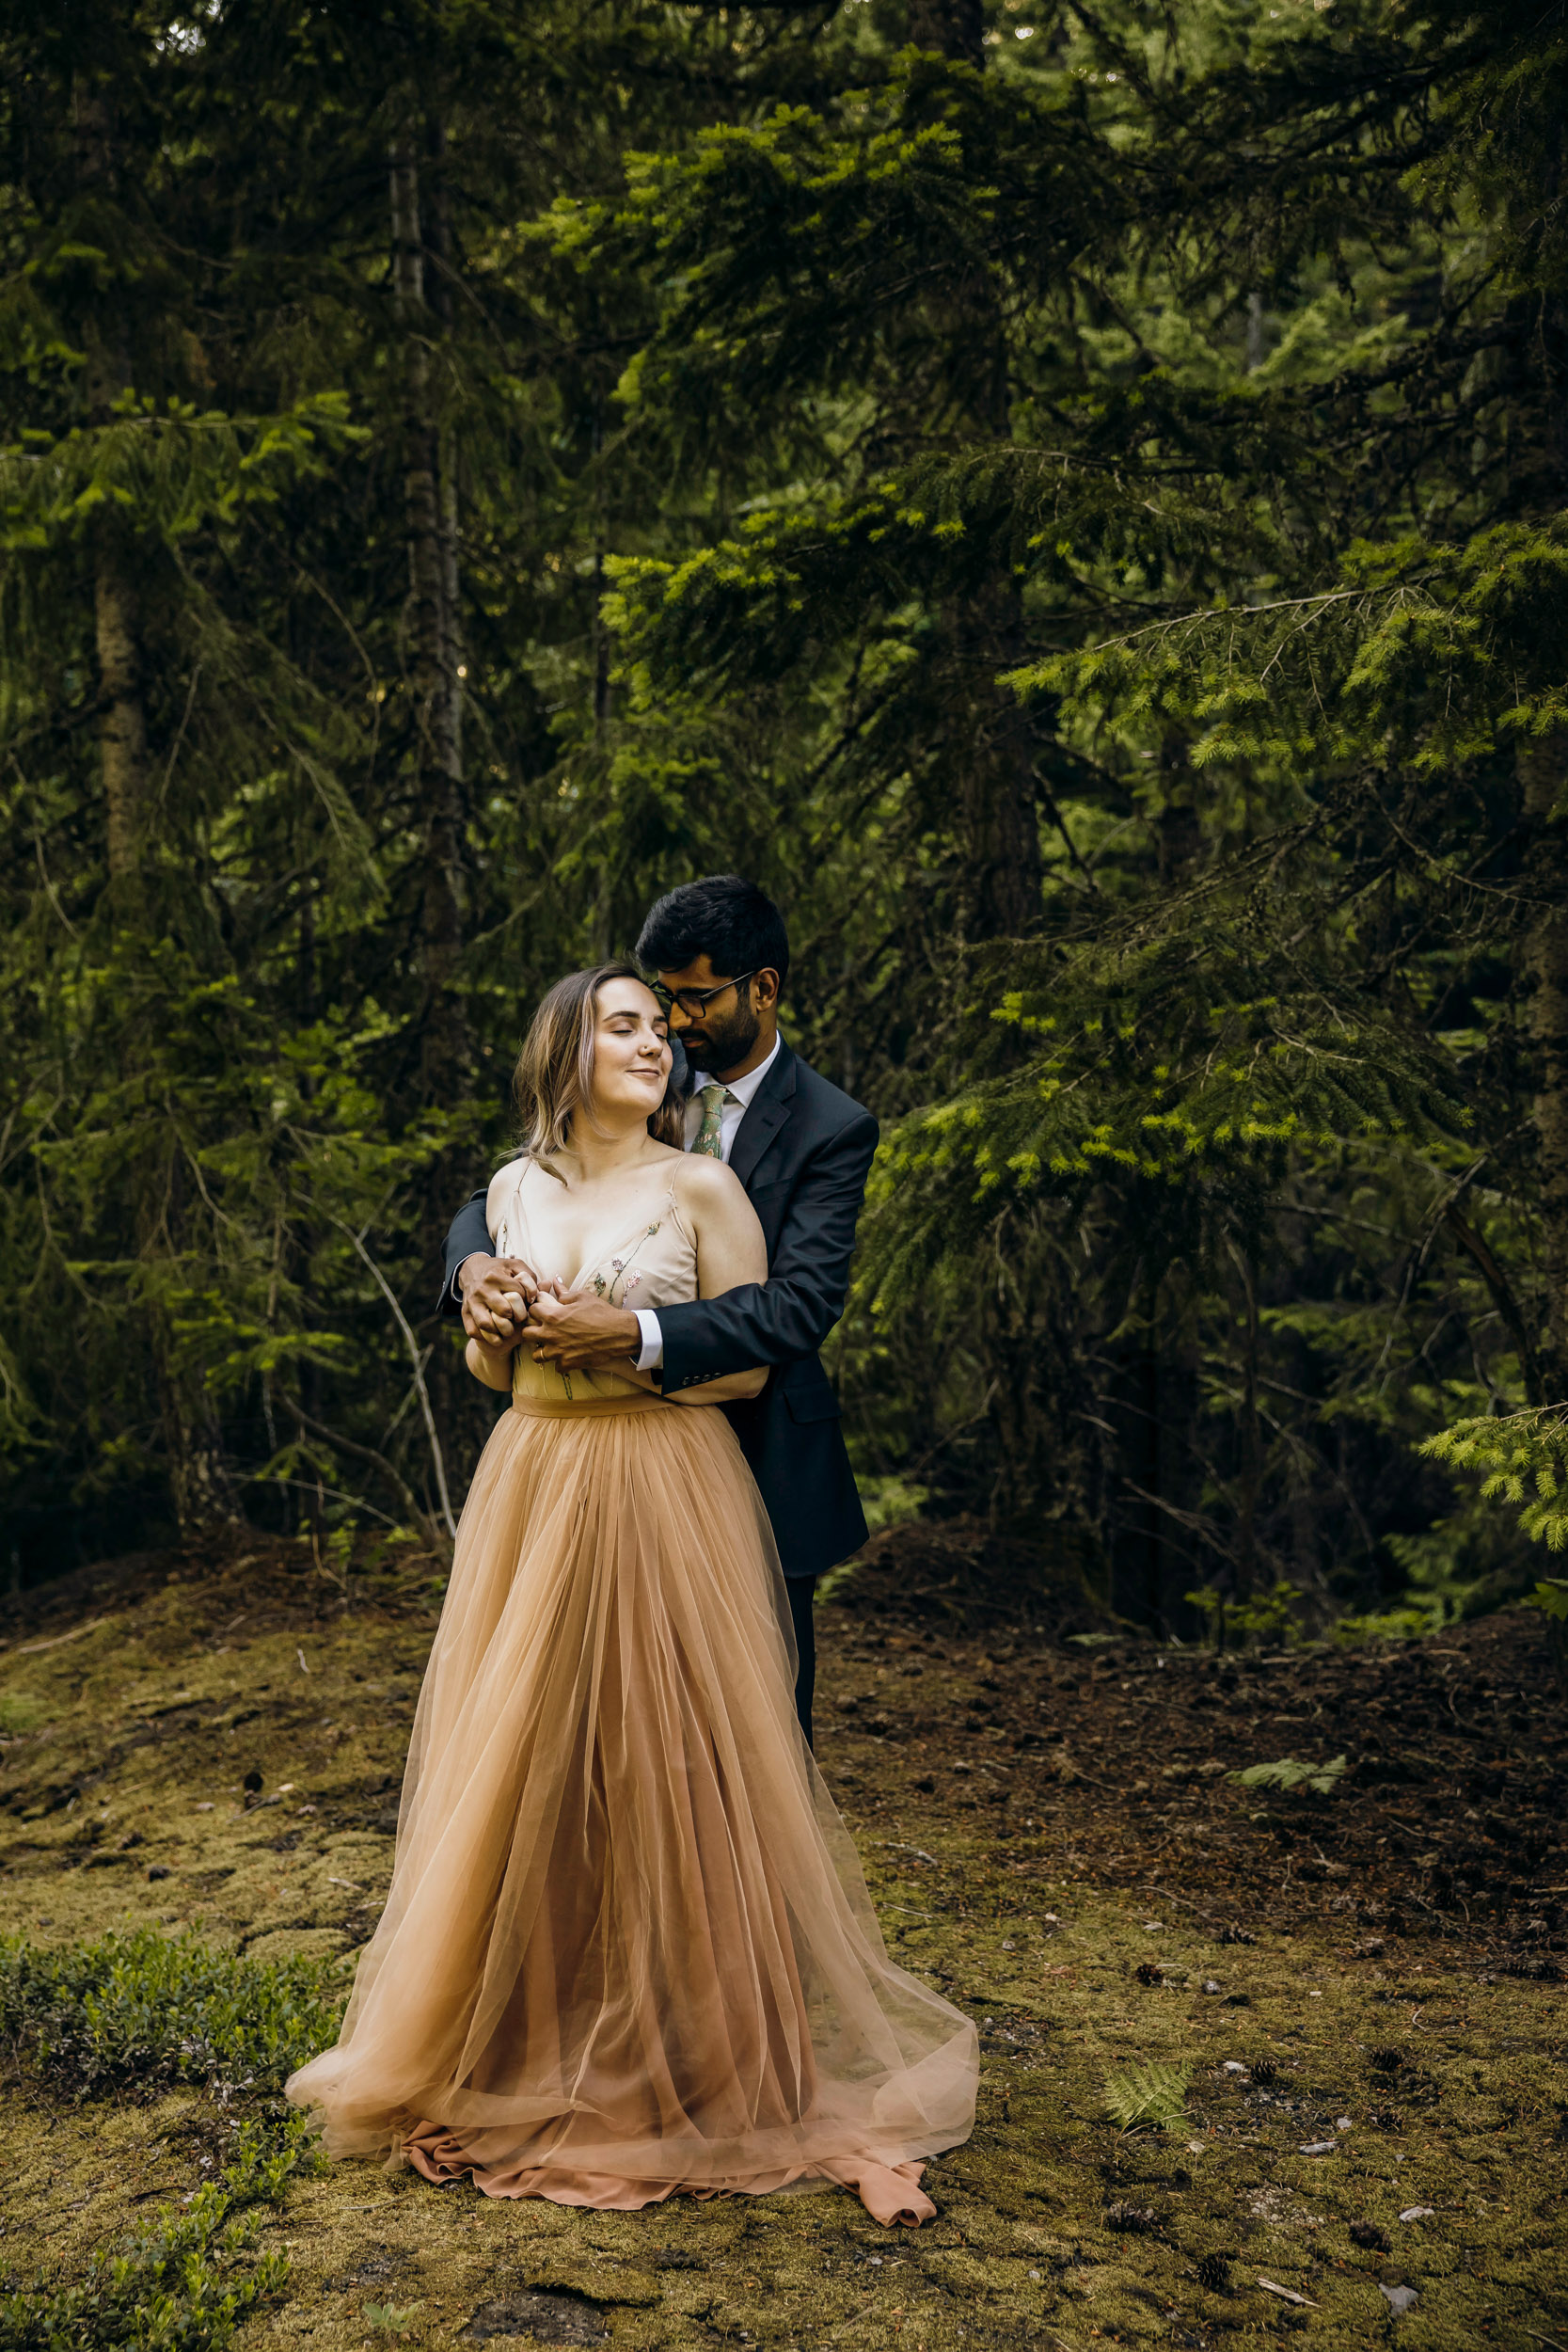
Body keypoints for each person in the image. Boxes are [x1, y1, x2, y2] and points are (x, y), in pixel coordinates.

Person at [285, 965, 977, 2224]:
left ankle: (695, 2056)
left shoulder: (699, 1185)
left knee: (673, 1764)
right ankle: (516, 2038)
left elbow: (751, 1364)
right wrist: (489, 1311)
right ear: (562, 1049)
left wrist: (631, 1351)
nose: (653, 1043)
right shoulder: (508, 1193)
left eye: (661, 1028)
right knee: (531, 1758)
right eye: (623, 1026)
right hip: (534, 1483)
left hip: (664, 1482)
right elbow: (488, 1368)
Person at [439, 876, 875, 1746]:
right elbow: (534, 1184)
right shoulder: (646, 1083)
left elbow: (795, 1308)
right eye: (659, 1003)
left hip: (758, 1448)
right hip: (584, 1460)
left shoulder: (829, 1126)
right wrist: (471, 1266)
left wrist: (630, 1335)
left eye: (693, 1000)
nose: (671, 1027)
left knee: (753, 1730)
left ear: (763, 988)